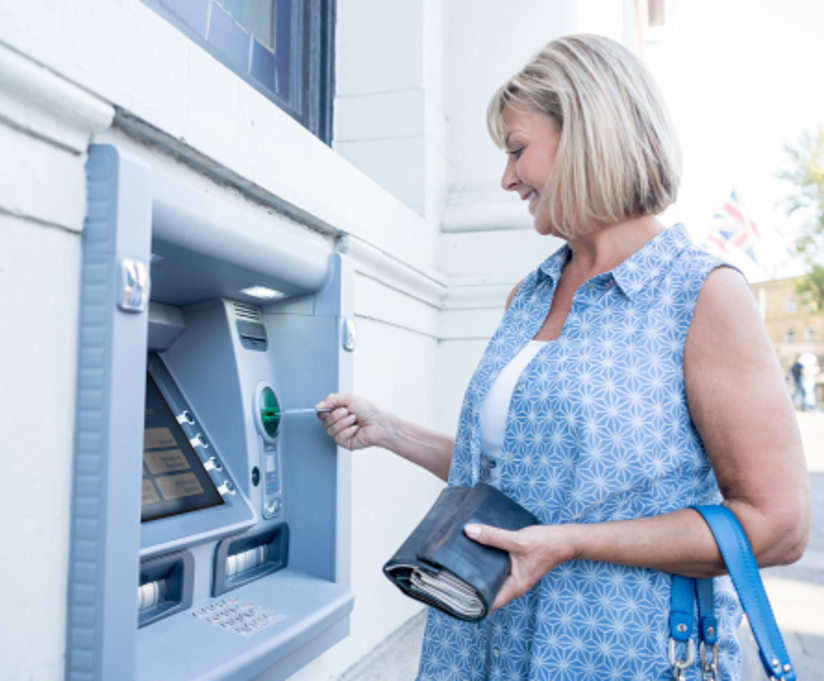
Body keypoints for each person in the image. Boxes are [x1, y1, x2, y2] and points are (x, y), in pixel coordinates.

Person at [317, 34, 810, 680]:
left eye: (518, 150)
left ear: (585, 135)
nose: (505, 178)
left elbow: (778, 525)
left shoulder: (701, 292)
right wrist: (389, 430)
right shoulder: (529, 295)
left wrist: (573, 540)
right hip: (480, 642)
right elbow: (517, 478)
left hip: (611, 655)